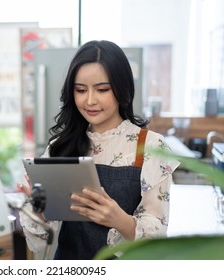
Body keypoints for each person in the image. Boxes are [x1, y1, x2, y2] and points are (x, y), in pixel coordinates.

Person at [17, 40, 179, 260]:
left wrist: (118, 219)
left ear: (122, 89)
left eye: (102, 89)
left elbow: (156, 238)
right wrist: (39, 210)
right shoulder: (59, 147)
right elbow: (41, 242)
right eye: (81, 90)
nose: (90, 100)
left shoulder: (150, 147)